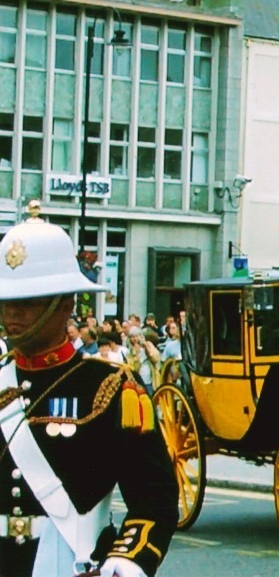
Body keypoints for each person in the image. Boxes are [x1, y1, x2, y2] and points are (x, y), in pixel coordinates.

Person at [0, 201, 176, 577]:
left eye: (27, 303)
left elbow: (154, 501)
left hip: (70, 562)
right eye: (7, 302)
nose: (12, 315)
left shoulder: (112, 386)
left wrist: (124, 562)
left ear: (65, 305)